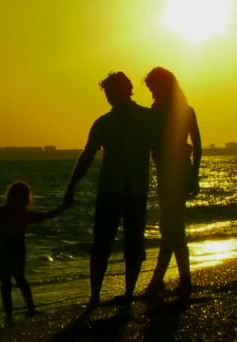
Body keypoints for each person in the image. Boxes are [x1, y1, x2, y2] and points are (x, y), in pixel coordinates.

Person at [63, 72, 158, 311]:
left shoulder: (148, 118)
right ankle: (94, 296)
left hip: (136, 191)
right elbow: (87, 156)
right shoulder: (103, 123)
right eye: (107, 92)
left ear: (127, 89)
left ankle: (128, 293)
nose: (110, 96)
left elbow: (161, 150)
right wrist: (71, 186)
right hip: (109, 190)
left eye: (113, 91)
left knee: (133, 245)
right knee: (101, 245)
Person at [142, 66, 202, 302]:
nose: (152, 94)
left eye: (153, 88)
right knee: (173, 227)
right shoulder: (159, 110)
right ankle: (180, 280)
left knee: (171, 226)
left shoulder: (181, 111)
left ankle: (160, 281)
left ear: (163, 86)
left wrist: (194, 175)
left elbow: (197, 145)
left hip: (176, 174)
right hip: (167, 173)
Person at [0, 181, 67, 321]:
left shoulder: (1, 212)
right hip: (15, 250)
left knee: (6, 285)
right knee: (20, 281)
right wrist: (62, 208)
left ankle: (10, 315)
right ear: (25, 198)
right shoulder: (22, 214)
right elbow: (46, 216)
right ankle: (29, 309)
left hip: (1, 250)